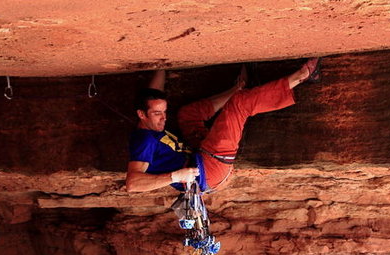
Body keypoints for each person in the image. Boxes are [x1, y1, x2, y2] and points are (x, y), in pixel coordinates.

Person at [125, 58, 320, 193]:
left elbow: (154, 93)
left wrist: (161, 64)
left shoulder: (148, 121)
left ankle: (236, 89)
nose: (164, 118)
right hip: (209, 170)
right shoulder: (144, 141)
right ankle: (302, 76)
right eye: (157, 114)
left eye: (164, 112)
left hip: (199, 154)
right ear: (141, 115)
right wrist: (175, 177)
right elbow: (132, 183)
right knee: (240, 104)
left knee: (187, 114)